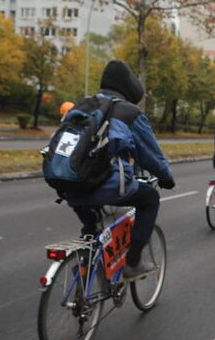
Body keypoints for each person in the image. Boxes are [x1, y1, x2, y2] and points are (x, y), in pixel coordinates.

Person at [66, 60, 175, 279]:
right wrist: (166, 178)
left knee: (91, 226)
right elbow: (150, 154)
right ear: (128, 87)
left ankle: (84, 270)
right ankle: (133, 263)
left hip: (69, 183)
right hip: (108, 185)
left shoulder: (82, 105)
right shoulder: (128, 112)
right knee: (150, 199)